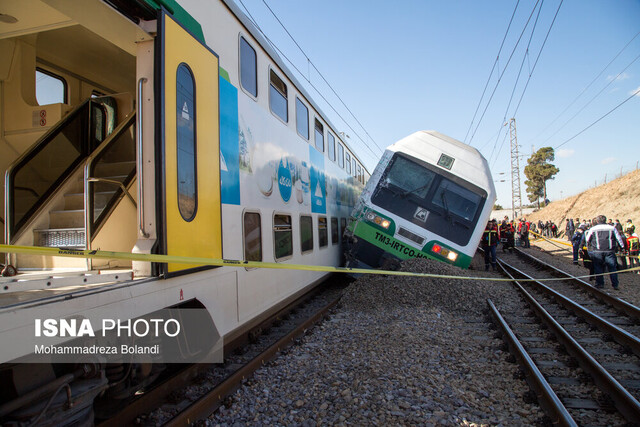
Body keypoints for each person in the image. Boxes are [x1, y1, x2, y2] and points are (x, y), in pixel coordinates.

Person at [585, 215, 625, 289]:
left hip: (597, 251)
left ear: (597, 221)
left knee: (598, 267)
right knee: (612, 268)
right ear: (605, 220)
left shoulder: (593, 229)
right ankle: (615, 284)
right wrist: (622, 247)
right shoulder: (612, 228)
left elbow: (587, 239)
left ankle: (600, 283)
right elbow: (619, 238)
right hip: (609, 251)